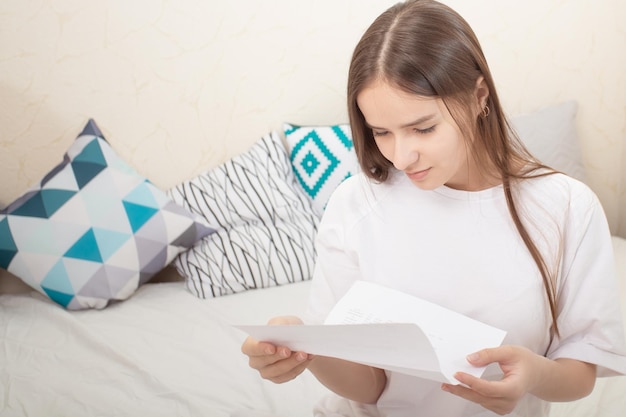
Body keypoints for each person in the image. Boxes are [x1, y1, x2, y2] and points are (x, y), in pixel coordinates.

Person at [241, 1, 626, 416]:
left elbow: (583, 369)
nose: (402, 157)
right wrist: (301, 346)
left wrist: (535, 375)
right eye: (381, 132)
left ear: (480, 96)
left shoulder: (567, 207)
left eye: (422, 128)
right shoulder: (356, 204)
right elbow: (370, 387)